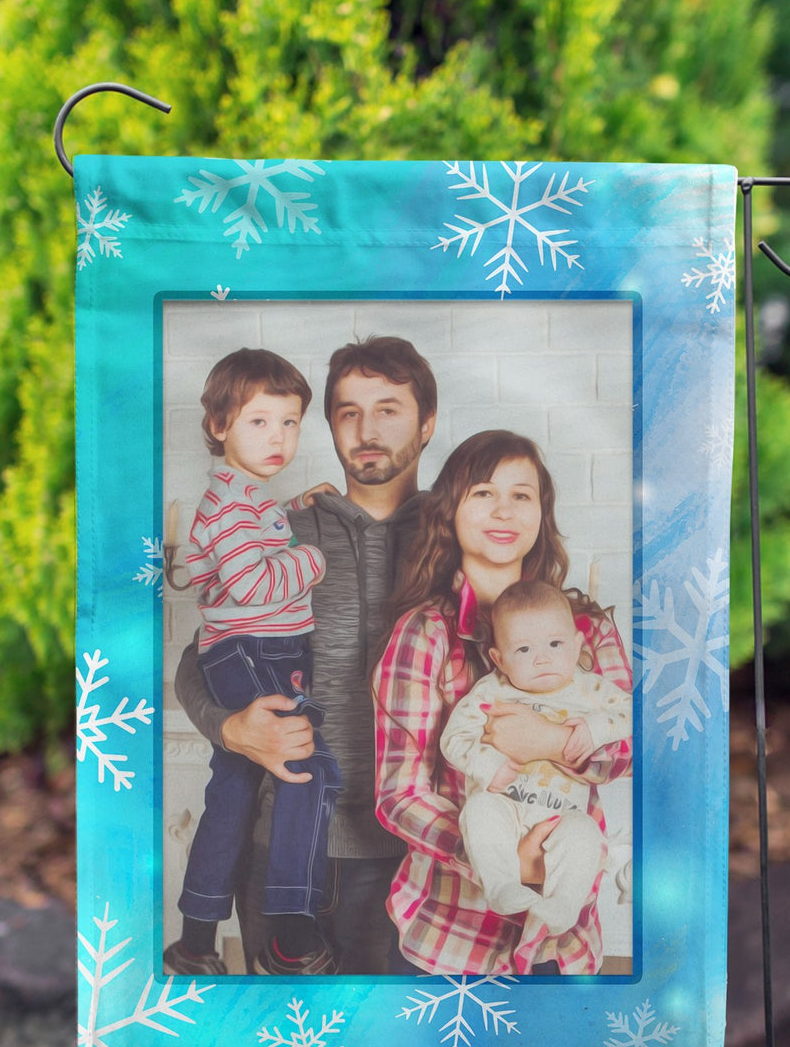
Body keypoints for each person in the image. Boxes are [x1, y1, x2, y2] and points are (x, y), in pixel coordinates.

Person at [170, 335, 437, 974]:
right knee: (283, 1036)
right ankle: (208, 938)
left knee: (400, 1039)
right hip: (279, 850)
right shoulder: (285, 529)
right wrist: (231, 729)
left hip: (420, 854)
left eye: (388, 409)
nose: (367, 430)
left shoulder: (457, 533)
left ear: (427, 424)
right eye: (348, 412)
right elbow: (199, 660)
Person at [373, 430, 632, 975]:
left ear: (541, 513)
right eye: (484, 493)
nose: (504, 511)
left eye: (522, 495)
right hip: (452, 934)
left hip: (564, 942)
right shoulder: (425, 633)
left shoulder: (586, 628)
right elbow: (400, 794)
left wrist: (552, 741)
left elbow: (631, 749)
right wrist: (502, 857)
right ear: (451, 509)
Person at [165, 347, 340, 977]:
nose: (278, 437)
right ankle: (291, 934)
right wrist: (312, 558)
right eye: (259, 421)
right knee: (307, 769)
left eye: (289, 422)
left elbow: (246, 544)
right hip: (255, 650)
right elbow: (252, 583)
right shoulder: (233, 506)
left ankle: (195, 941)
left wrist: (292, 513)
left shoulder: (241, 500)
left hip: (240, 651)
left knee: (233, 793)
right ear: (219, 426)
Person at [440, 579, 631, 961]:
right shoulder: (491, 692)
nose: (541, 659)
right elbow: (453, 738)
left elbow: (633, 713)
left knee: (585, 834)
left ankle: (560, 908)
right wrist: (488, 765)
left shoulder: (590, 690)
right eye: (524, 649)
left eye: (555, 644)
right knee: (479, 812)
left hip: (562, 817)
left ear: (577, 645)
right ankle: (503, 887)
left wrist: (595, 729)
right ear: (499, 659)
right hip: (506, 808)